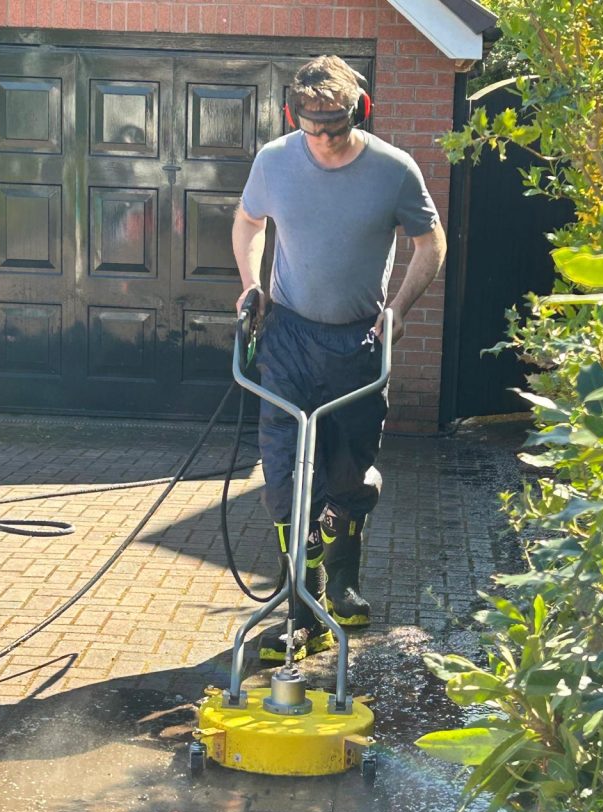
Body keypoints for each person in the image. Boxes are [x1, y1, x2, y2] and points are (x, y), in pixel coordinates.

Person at [232, 54, 447, 663]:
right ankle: (303, 605)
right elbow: (247, 221)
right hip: (289, 339)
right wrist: (251, 285)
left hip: (358, 343)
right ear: (291, 113)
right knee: (283, 476)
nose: (325, 139)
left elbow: (430, 241)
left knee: (349, 473)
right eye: (312, 125)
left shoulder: (393, 170)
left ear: (362, 110)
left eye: (338, 125)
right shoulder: (275, 160)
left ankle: (345, 583)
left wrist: (400, 307)